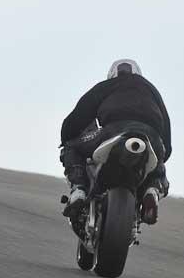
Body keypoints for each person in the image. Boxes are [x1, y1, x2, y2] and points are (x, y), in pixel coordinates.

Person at [59, 59, 171, 224]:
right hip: (151, 136)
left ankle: (79, 190)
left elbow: (80, 114)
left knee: (71, 147)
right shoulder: (151, 89)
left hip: (114, 130)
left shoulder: (107, 86)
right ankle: (152, 190)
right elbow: (166, 126)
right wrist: (163, 153)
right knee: (157, 162)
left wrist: (67, 135)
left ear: (112, 73)